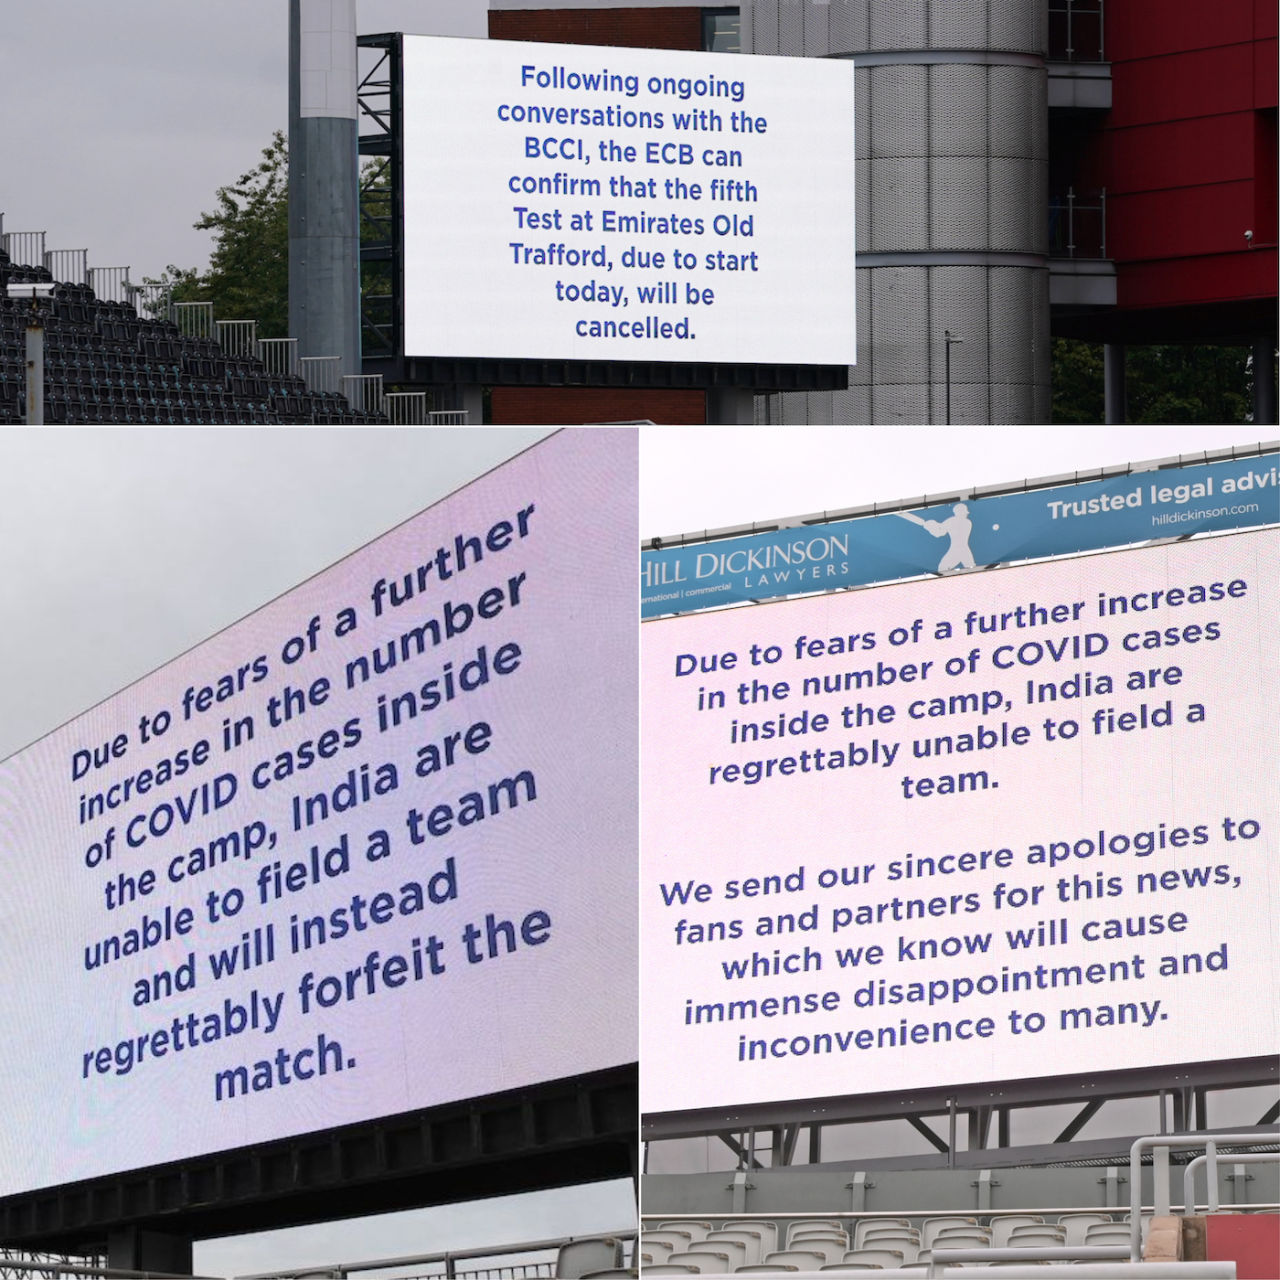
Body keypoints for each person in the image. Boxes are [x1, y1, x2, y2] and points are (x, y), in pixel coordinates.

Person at [897, 502, 975, 572]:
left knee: (943, 568)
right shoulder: (964, 522)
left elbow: (939, 532)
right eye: (964, 512)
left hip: (957, 550)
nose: (966, 514)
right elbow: (940, 531)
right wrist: (931, 525)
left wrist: (930, 525)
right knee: (969, 569)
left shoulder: (960, 521)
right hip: (963, 550)